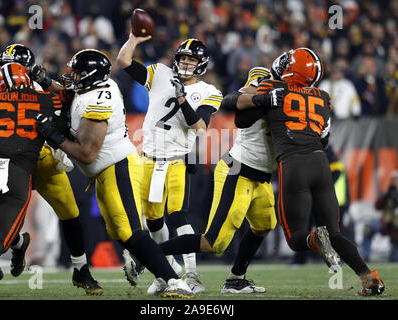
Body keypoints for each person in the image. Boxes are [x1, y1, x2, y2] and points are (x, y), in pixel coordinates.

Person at [35, 49, 193, 298]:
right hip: (105, 170)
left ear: (90, 77)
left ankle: (175, 281)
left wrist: (52, 135)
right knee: (120, 232)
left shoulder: (99, 99)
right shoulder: (92, 88)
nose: (71, 77)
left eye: (77, 73)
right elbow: (68, 91)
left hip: (118, 166)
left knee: (130, 231)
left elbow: (86, 153)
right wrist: (45, 81)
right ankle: (168, 271)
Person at [233, 47, 384, 296]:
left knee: (296, 238)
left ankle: (315, 240)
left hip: (293, 165)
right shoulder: (323, 97)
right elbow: (324, 140)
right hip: (320, 163)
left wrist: (256, 98)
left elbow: (241, 119)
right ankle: (370, 279)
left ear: (291, 68)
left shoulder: (274, 89)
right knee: (335, 233)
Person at [142, 66, 282, 294]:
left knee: (264, 226)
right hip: (239, 171)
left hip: (262, 177)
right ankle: (148, 254)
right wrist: (264, 97)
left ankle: (236, 279)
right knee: (212, 242)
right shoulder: (260, 91)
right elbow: (231, 100)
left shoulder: (287, 96)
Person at [0, 44, 102, 295]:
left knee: (69, 211)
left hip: (41, 158)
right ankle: (11, 244)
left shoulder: (7, 87)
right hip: (7, 159)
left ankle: (81, 269)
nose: (9, 70)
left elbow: (69, 102)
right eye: (4, 65)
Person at [117, 34, 223, 294]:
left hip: (177, 161)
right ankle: (165, 271)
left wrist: (183, 99)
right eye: (183, 58)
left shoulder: (209, 91)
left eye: (192, 59)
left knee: (177, 215)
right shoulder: (160, 73)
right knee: (152, 220)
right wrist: (133, 38)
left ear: (202, 63)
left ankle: (191, 273)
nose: (186, 63)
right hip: (149, 159)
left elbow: (199, 128)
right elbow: (123, 60)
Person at [0, 63, 56, 274]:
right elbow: (66, 98)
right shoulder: (46, 100)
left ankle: (14, 246)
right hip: (18, 174)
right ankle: (12, 247)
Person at [375, 170, 398, 262]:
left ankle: (394, 256)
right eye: (394, 179)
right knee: (368, 229)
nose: (396, 181)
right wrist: (384, 197)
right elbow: (377, 206)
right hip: (386, 222)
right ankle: (365, 255)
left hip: (395, 224)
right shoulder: (388, 192)